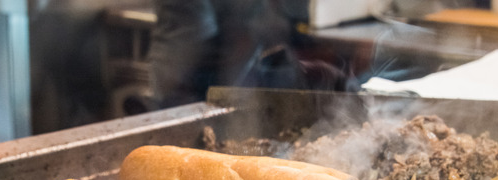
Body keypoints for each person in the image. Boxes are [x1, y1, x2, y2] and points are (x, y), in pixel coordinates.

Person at [149, 0, 349, 109]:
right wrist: (279, 77)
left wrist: (303, 66)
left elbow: (270, 23)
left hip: (231, 83)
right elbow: (200, 64)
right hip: (185, 96)